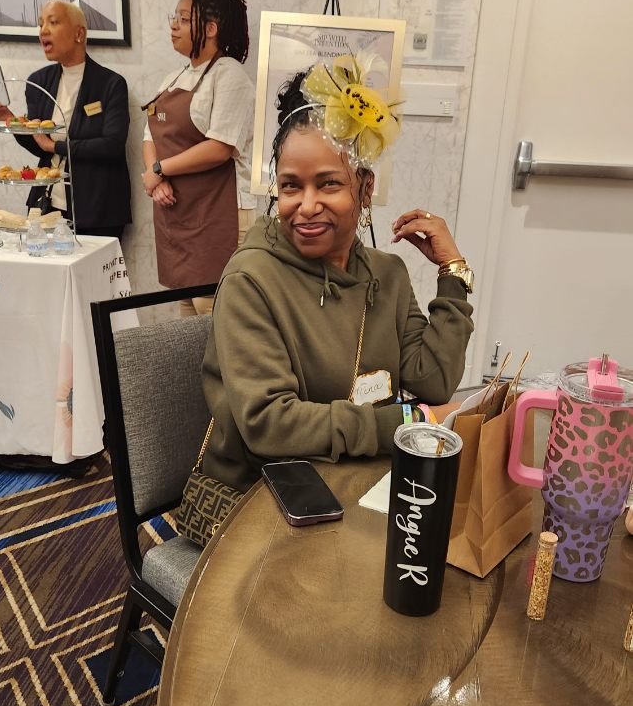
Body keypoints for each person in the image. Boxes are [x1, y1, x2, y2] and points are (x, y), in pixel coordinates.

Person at [201, 56, 474, 492]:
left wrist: (452, 272)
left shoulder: (387, 273)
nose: (306, 206)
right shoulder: (250, 281)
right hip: (263, 492)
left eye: (328, 184)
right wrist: (405, 422)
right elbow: (269, 424)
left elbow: (434, 381)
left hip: (357, 476)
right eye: (291, 186)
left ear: (365, 188)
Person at [142, 0, 255, 316]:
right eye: (173, 17)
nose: (173, 25)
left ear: (211, 28)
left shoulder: (229, 75)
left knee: (217, 315)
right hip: (180, 212)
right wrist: (155, 177)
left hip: (218, 215)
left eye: (183, 18)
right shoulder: (172, 78)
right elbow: (150, 133)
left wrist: (161, 170)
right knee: (186, 312)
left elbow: (219, 148)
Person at [0, 0, 131, 240]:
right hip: (46, 205)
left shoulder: (111, 84)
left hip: (98, 208)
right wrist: (12, 120)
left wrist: (55, 145)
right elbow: (37, 143)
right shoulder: (38, 82)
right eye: (40, 24)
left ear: (79, 33)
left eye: (53, 22)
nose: (43, 31)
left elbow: (112, 145)